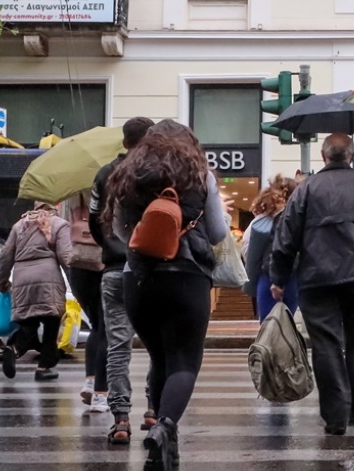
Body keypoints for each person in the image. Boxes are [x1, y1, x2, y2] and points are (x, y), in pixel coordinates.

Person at [105, 120, 226, 471]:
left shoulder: (127, 174)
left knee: (160, 360)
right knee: (184, 362)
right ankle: (164, 427)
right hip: (187, 277)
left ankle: (163, 449)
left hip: (138, 280)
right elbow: (218, 232)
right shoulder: (200, 175)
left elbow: (118, 230)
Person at [270, 133, 354, 436]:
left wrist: (279, 278)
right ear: (351, 155)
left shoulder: (307, 189)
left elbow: (285, 238)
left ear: (323, 155)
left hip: (318, 277)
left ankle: (335, 414)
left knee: (326, 343)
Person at [88, 117, 156, 444]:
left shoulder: (104, 174)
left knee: (118, 346)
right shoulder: (157, 173)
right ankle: (154, 409)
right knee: (160, 345)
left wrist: (112, 248)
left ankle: (120, 419)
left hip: (115, 269)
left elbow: (93, 220)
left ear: (125, 141)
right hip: (154, 269)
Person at [0, 202, 73, 382]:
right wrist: (75, 284)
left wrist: (2, 282)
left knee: (29, 321)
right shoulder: (59, 224)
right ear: (53, 208)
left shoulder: (19, 226)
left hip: (22, 278)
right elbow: (66, 257)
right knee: (51, 322)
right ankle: (44, 367)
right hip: (48, 277)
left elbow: (6, 255)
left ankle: (14, 347)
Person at [66, 201, 110, 414]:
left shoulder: (78, 201)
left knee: (95, 325)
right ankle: (101, 394)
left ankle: (91, 380)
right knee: (105, 328)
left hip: (79, 267)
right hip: (103, 265)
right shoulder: (114, 200)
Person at [243, 174, 299, 321]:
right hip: (294, 276)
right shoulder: (298, 218)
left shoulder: (261, 221)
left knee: (268, 328)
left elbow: (247, 249)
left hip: (267, 276)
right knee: (292, 326)